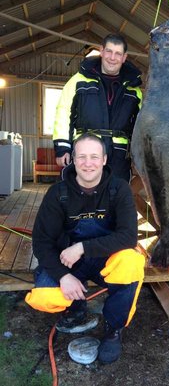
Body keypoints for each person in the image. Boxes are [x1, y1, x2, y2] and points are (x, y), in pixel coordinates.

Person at [25, 133, 145, 364]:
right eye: (82, 157)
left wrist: (82, 247)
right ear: (73, 160)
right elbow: (41, 243)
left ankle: (113, 328)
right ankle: (76, 307)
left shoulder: (118, 189)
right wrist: (63, 276)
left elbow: (129, 237)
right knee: (44, 298)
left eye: (94, 156)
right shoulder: (57, 193)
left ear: (104, 159)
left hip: (105, 263)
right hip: (68, 263)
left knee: (131, 262)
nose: (88, 163)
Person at [53, 34, 142, 182]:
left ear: (124, 57)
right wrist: (62, 146)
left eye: (118, 53)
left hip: (119, 158)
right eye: (109, 51)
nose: (112, 57)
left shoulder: (134, 90)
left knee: (115, 200)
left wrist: (138, 158)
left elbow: (140, 128)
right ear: (101, 51)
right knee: (80, 199)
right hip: (86, 153)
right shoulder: (78, 80)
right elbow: (63, 112)